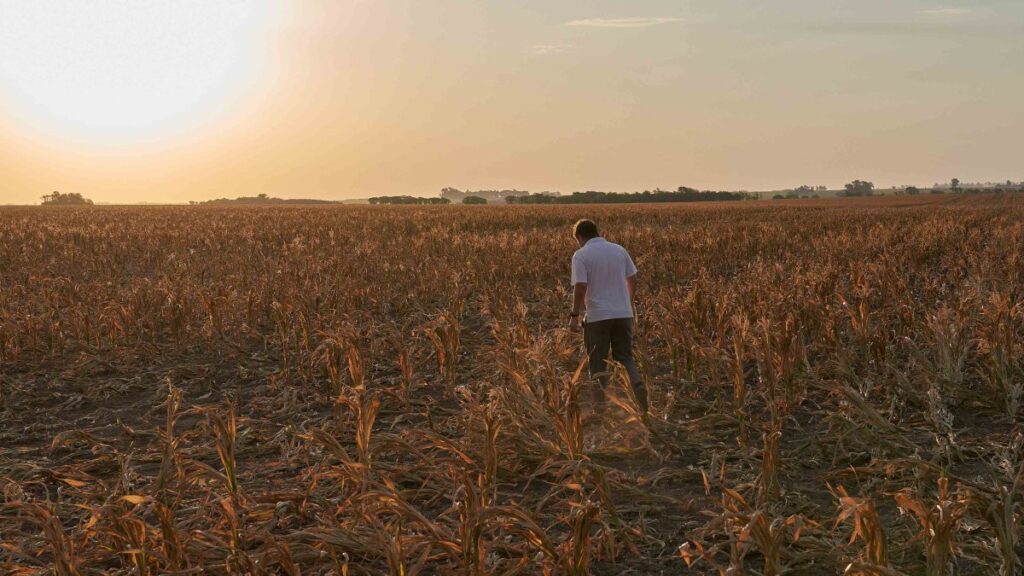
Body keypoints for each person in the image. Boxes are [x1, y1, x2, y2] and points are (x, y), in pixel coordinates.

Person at [568, 219, 647, 413]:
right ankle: (636, 384)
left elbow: (580, 287)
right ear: (596, 232)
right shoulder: (619, 250)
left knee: (598, 361)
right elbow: (633, 278)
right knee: (625, 357)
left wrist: (575, 315)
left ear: (580, 237)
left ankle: (600, 407)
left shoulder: (581, 255)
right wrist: (627, 303)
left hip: (597, 316)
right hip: (623, 313)